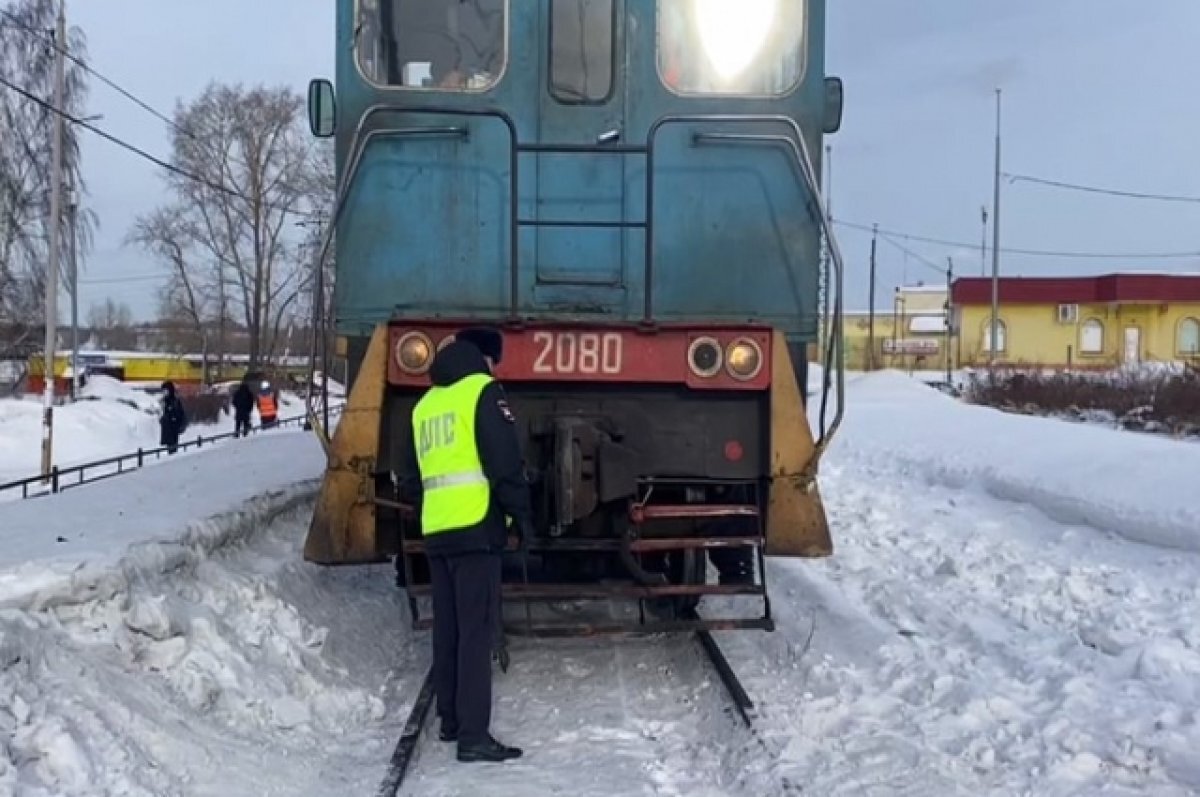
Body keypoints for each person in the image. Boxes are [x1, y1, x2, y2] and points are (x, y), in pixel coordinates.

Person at [401, 326, 533, 764]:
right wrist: (521, 516)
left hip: (437, 531)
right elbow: (503, 461)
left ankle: (451, 719)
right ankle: (474, 736)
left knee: (450, 627)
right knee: (477, 632)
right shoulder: (482, 391)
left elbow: (409, 476)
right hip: (476, 528)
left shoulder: (426, 404)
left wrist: (430, 515)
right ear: (486, 358)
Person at [159, 381, 188, 455]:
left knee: (173, 448)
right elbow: (162, 414)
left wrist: (172, 417)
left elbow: (179, 413)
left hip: (173, 428)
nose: (164, 392)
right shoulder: (164, 401)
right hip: (167, 429)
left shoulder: (174, 401)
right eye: (163, 391)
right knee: (170, 448)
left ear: (169, 390)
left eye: (165, 390)